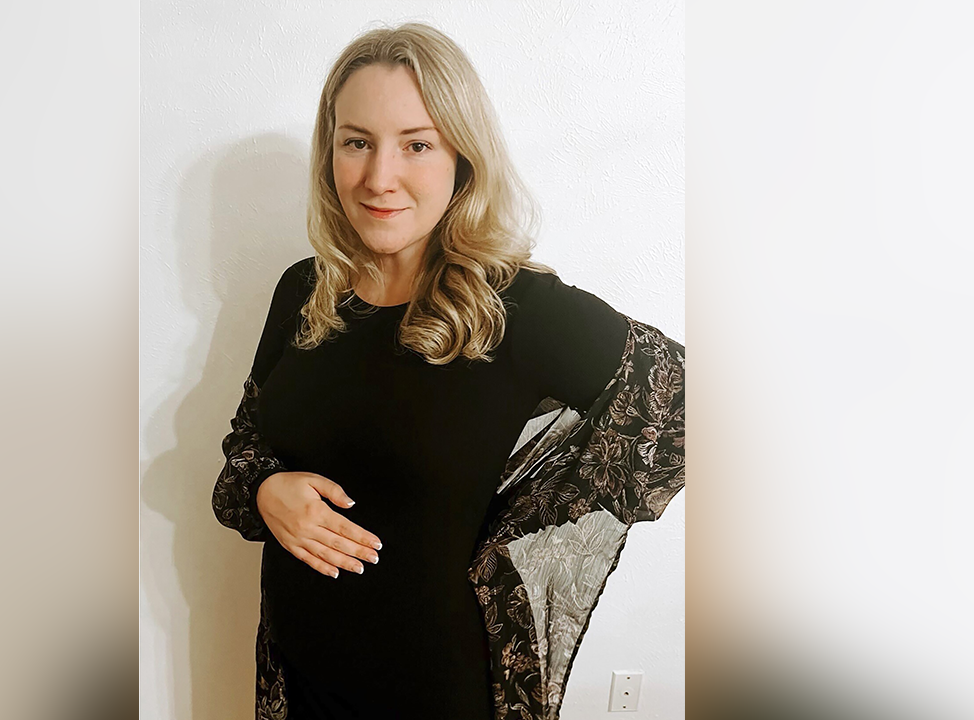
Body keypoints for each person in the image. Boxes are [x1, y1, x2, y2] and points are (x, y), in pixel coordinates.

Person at [212, 23, 685, 720]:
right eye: (356, 142)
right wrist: (263, 491)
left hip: (433, 692)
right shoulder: (304, 291)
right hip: (296, 681)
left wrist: (518, 527)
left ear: (463, 158)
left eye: (417, 144)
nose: (379, 177)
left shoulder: (519, 308)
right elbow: (244, 448)